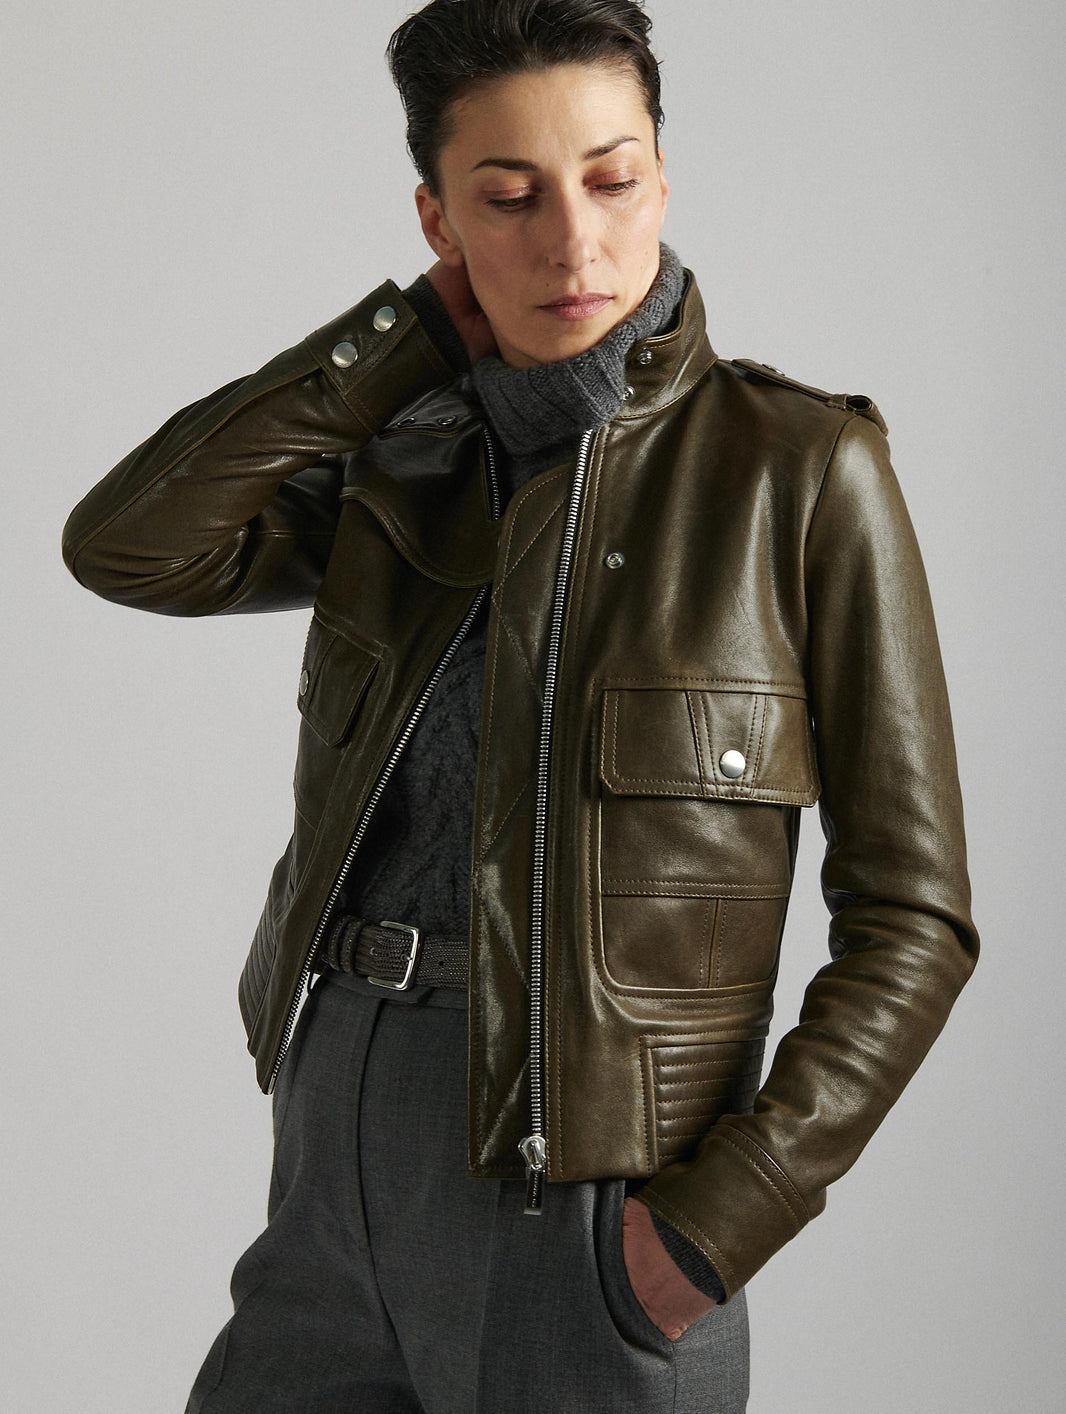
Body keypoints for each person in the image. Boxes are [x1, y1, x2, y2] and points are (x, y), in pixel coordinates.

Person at [61, 1, 980, 1410]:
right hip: (337, 1133)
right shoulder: (403, 466)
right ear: (437, 222)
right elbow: (128, 544)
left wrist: (715, 1225)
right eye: (509, 198)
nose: (573, 242)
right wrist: (395, 346)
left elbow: (915, 915)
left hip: (590, 1195)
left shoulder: (798, 472)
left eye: (612, 180)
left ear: (662, 178)